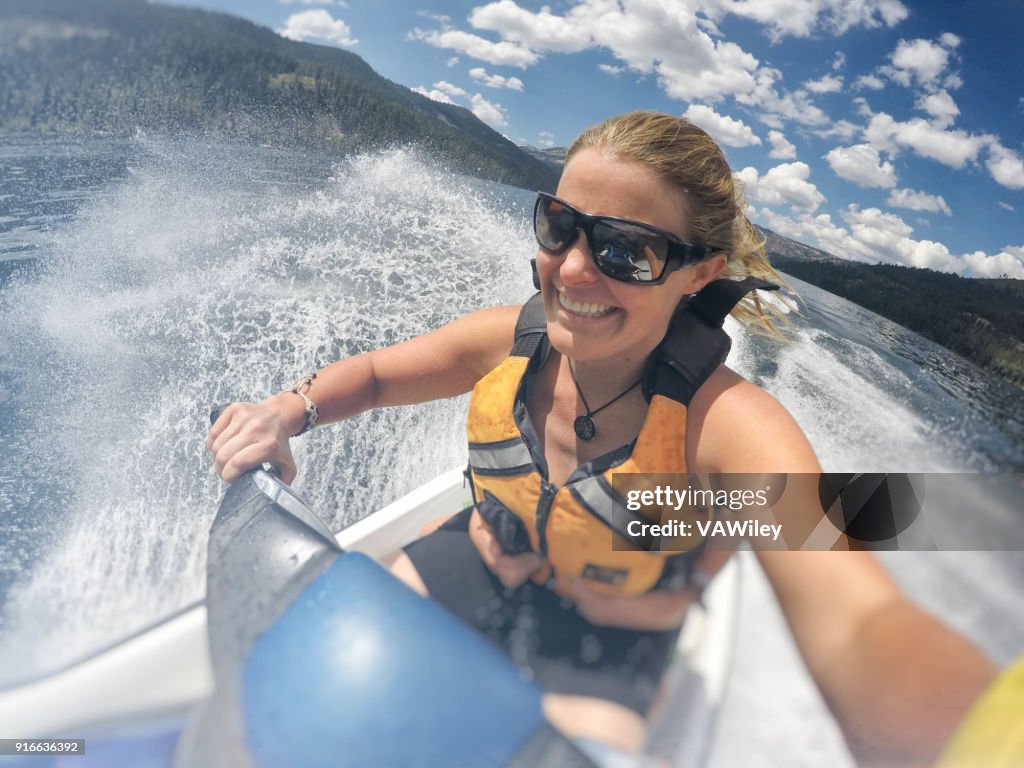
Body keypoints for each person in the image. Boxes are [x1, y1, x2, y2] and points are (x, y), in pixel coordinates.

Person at [206, 111, 1009, 766]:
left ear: (699, 272)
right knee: (296, 694)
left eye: (627, 249)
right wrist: (289, 410)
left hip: (607, 633)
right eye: (561, 226)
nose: (575, 270)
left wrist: (977, 742)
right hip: (478, 557)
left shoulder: (727, 429)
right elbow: (379, 377)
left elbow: (857, 618)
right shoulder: (509, 342)